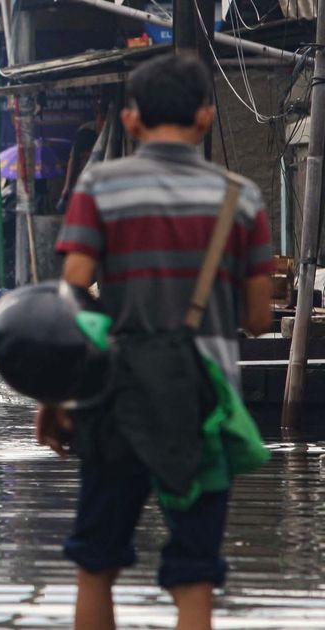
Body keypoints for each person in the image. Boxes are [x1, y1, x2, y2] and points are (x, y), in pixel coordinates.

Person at [42, 54, 274, 629]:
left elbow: (72, 298)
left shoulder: (99, 186)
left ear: (130, 120)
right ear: (204, 118)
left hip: (113, 391)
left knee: (96, 563)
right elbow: (259, 318)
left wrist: (56, 397)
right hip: (203, 401)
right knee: (194, 571)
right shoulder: (240, 198)